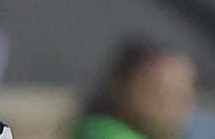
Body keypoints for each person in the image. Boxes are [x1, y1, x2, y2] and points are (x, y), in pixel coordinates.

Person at [69, 38, 197, 139]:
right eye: (155, 90)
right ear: (120, 87)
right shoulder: (104, 132)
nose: (169, 104)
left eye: (182, 94)